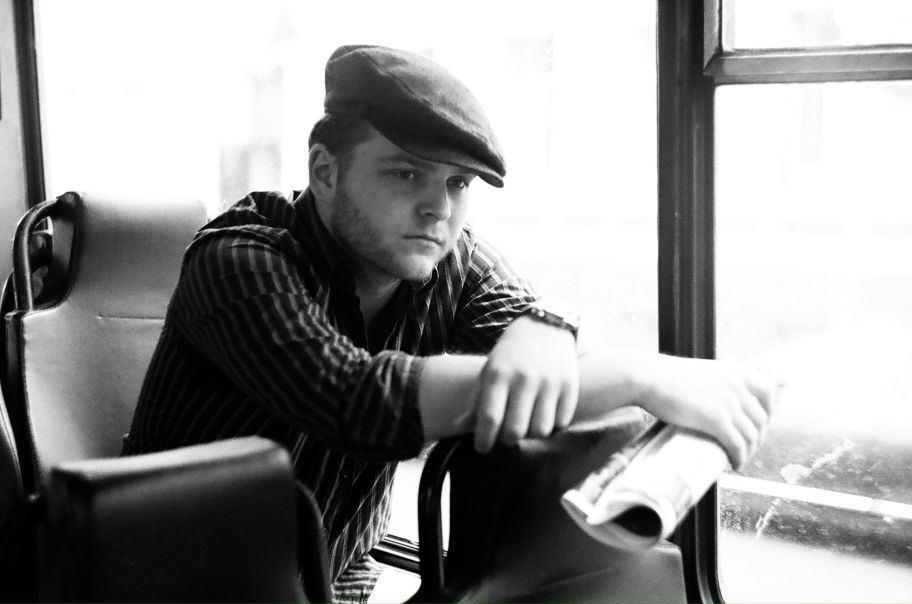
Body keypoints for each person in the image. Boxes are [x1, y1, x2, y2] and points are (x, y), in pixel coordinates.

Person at [124, 44, 777, 604]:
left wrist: (549, 322)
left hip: (334, 584)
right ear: (325, 172)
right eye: (406, 173)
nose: (438, 208)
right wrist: (640, 376)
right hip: (161, 581)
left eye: (459, 184)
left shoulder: (451, 261)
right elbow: (357, 401)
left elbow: (552, 366)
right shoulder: (240, 259)